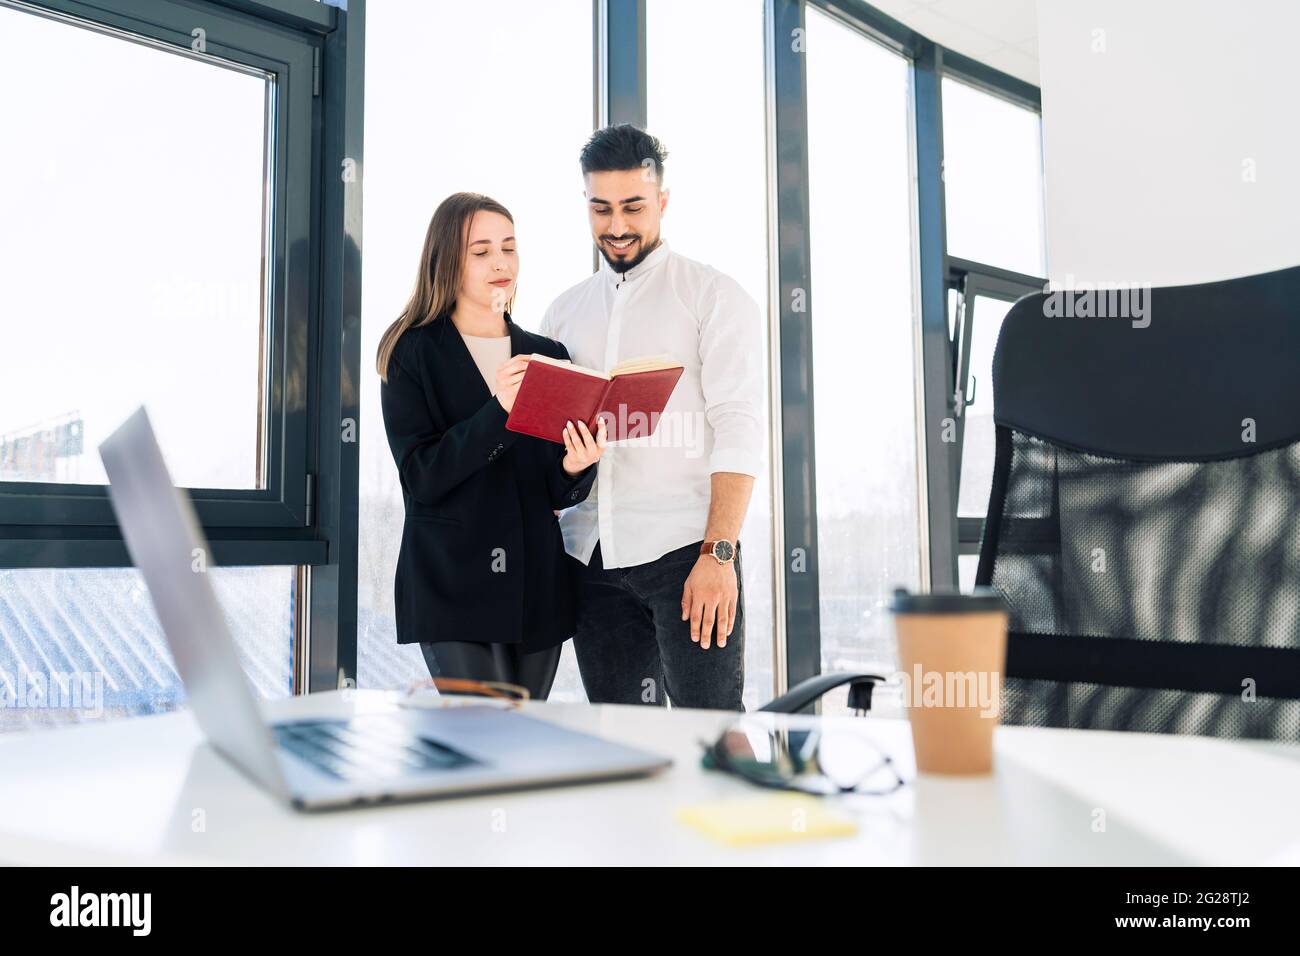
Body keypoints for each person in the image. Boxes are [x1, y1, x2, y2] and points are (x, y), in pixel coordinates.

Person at [540, 125, 765, 711]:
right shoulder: (564, 312)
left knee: (710, 735)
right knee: (623, 746)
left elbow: (739, 426)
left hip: (686, 554)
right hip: (590, 560)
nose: (617, 226)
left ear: (663, 202)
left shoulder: (713, 295)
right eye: (601, 208)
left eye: (634, 207)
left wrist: (720, 555)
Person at [377, 191, 606, 700]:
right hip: (451, 581)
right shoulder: (411, 350)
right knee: (482, 742)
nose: (500, 263)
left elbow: (550, 490)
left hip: (535, 583)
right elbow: (422, 477)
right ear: (448, 261)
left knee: (523, 748)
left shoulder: (547, 355)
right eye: (481, 251)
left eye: (509, 247)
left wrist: (574, 467)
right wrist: (498, 410)